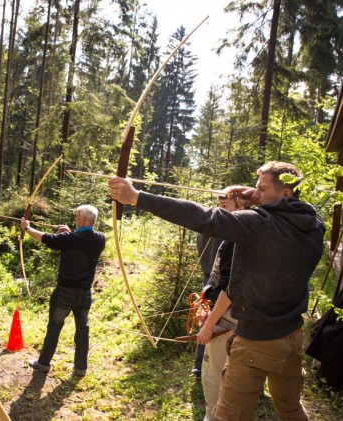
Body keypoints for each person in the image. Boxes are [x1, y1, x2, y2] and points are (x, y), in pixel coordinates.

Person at [109, 161, 325, 420]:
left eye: (261, 188)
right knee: (290, 409)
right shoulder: (314, 223)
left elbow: (204, 217)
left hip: (257, 342)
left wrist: (137, 197)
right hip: (293, 337)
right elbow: (285, 207)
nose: (255, 193)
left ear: (285, 193)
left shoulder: (259, 224)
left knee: (228, 416)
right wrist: (255, 193)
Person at [21, 204, 105, 377]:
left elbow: (43, 237)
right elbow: (79, 240)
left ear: (82, 220)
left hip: (65, 293)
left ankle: (43, 363)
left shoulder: (69, 239)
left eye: (76, 217)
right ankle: (80, 368)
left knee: (54, 326)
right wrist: (69, 231)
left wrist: (27, 227)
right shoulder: (100, 238)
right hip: (85, 294)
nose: (75, 219)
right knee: (83, 330)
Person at [196, 191, 244, 421]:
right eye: (220, 205)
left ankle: (214, 415)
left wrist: (209, 323)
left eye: (227, 205)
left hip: (229, 314)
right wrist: (206, 295)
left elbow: (230, 288)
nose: (221, 211)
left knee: (215, 372)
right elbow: (216, 275)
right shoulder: (228, 230)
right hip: (221, 304)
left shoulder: (240, 237)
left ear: (241, 205)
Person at [193, 198, 226, 378]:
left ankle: (199, 368)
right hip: (216, 281)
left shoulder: (209, 221)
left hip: (210, 279)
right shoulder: (225, 225)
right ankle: (201, 367)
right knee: (208, 321)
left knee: (207, 321)